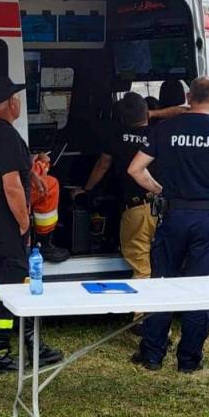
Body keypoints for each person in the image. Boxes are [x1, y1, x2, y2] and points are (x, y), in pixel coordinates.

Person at [127, 76, 209, 373]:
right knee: (202, 289)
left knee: (162, 284)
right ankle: (188, 360)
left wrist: (159, 189)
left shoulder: (165, 128)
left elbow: (135, 169)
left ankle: (152, 355)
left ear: (187, 97)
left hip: (173, 216)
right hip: (208, 220)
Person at [0, 76, 64, 374]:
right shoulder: (7, 135)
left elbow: (7, 168)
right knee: (10, 288)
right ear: (11, 103)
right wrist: (24, 223)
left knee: (7, 285)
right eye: (16, 98)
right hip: (6, 225)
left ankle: (31, 345)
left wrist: (32, 173)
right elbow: (11, 185)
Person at [79, 92, 157, 280]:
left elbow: (103, 165)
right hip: (163, 208)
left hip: (136, 210)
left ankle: (146, 301)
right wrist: (156, 114)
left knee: (141, 269)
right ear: (147, 112)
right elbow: (185, 111)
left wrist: (86, 189)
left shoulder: (115, 137)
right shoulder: (159, 134)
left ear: (121, 118)